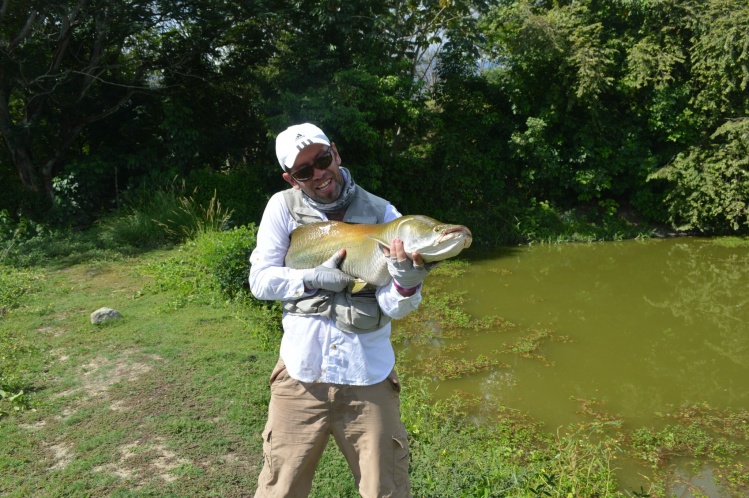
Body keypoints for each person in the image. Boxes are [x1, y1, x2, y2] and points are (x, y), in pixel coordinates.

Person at [249, 123, 430, 497]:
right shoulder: (281, 208)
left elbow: (393, 307)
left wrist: (406, 282)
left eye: (322, 159)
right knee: (279, 490)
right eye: (304, 171)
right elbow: (261, 281)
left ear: (335, 152)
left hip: (369, 377)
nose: (318, 173)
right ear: (291, 178)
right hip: (300, 375)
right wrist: (311, 278)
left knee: (386, 491)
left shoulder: (384, 214)